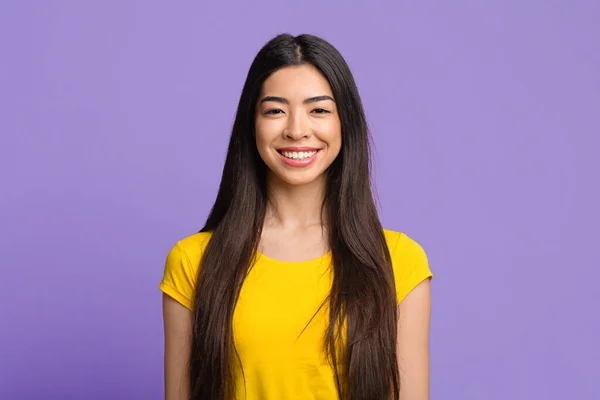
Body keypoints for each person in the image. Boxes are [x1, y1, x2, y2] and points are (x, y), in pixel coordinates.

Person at [159, 33, 433, 400]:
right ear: (251, 124)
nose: (296, 129)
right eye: (275, 110)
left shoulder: (400, 262)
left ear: (344, 124)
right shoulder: (193, 262)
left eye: (319, 109)